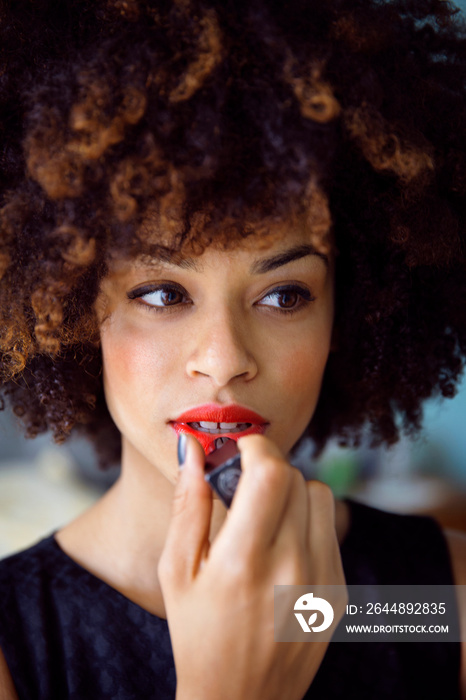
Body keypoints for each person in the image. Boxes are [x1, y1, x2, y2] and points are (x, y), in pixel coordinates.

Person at [0, 0, 465, 697]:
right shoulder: (15, 642)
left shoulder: (422, 605)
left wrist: (307, 619)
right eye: (162, 293)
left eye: (284, 296)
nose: (224, 359)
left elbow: (358, 621)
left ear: (355, 310)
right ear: (70, 311)